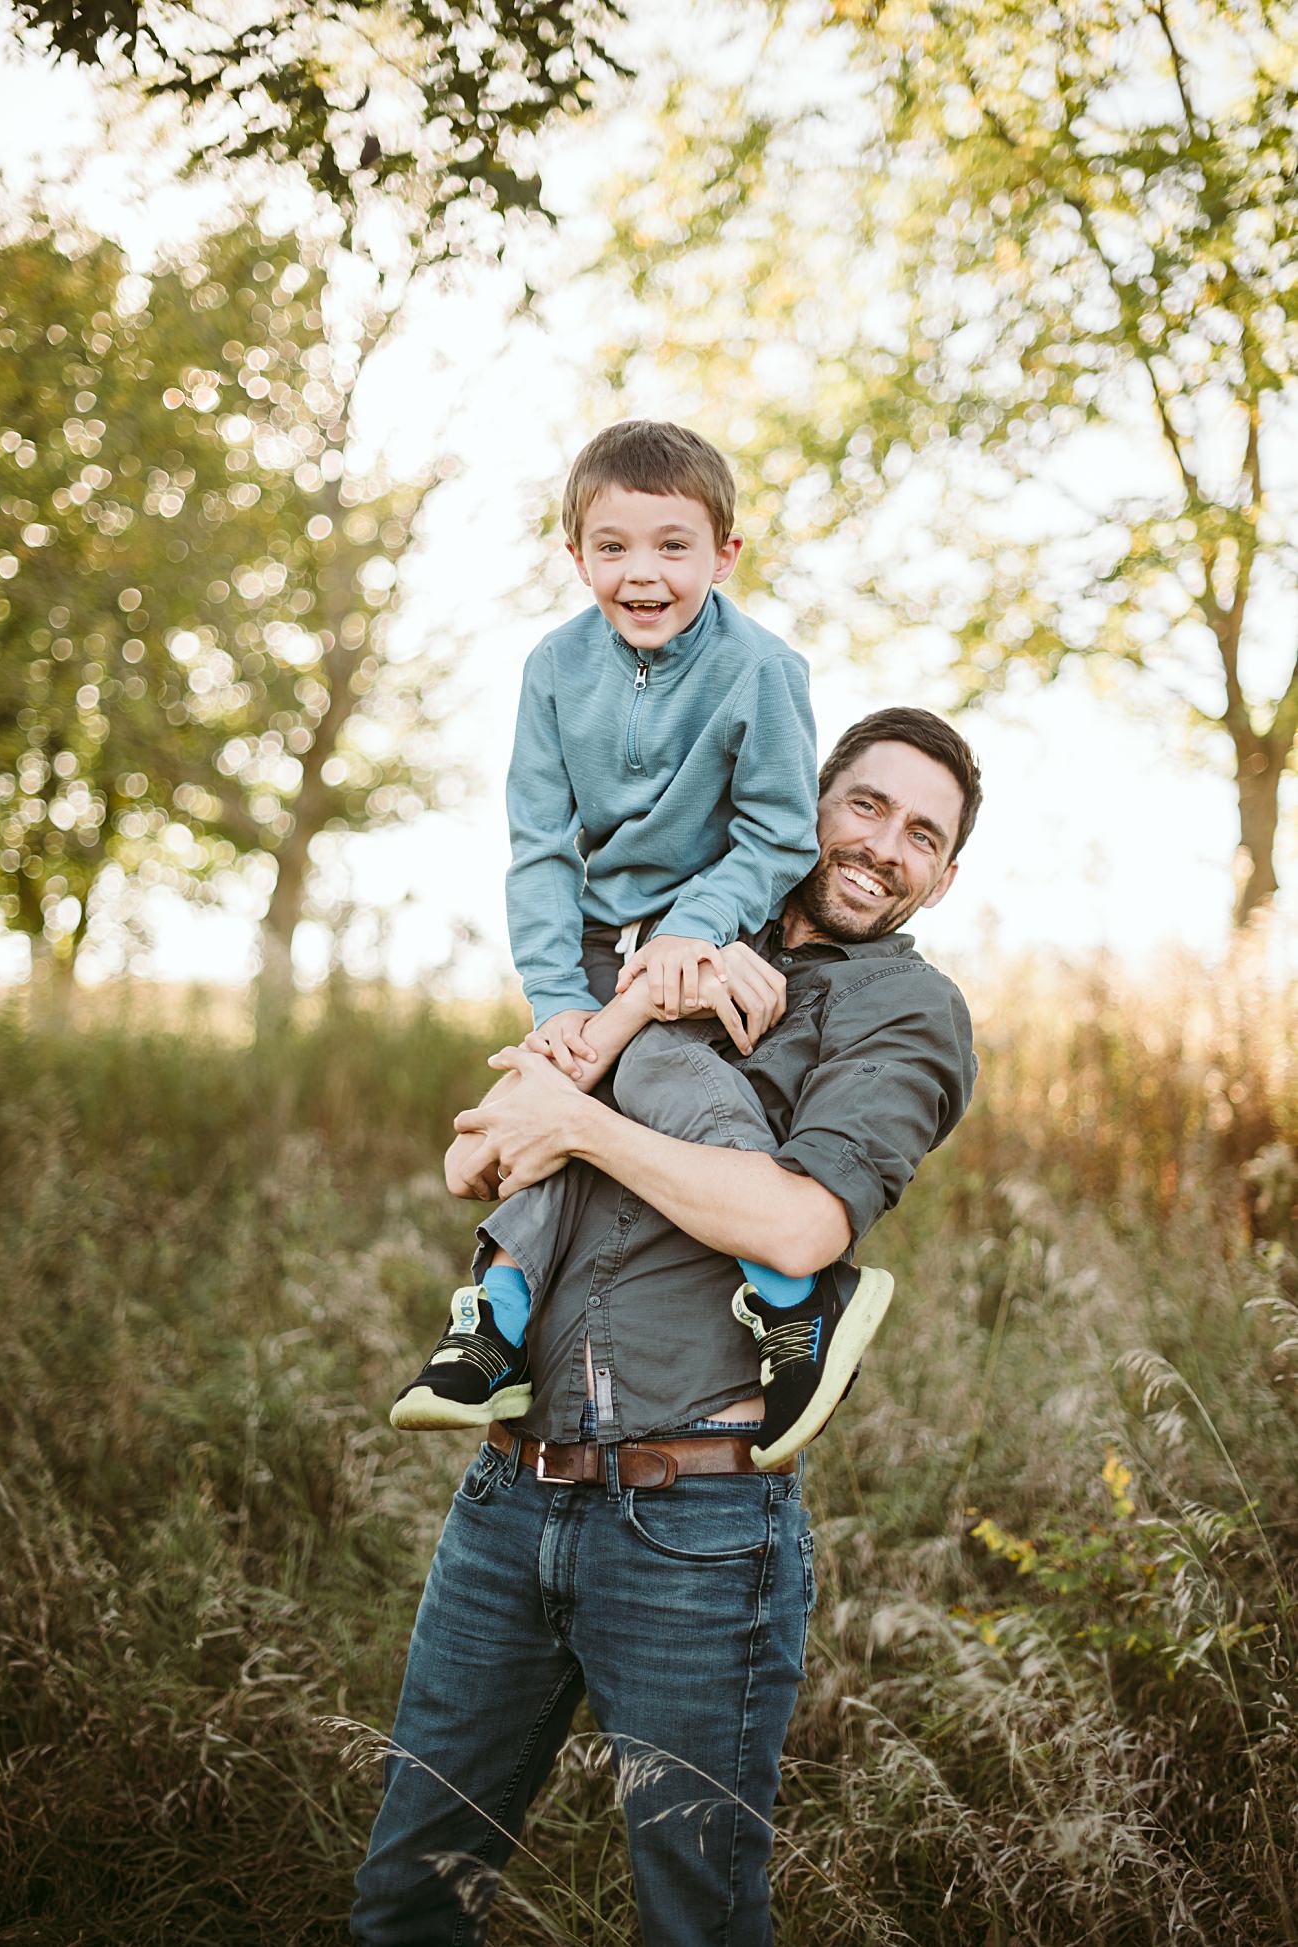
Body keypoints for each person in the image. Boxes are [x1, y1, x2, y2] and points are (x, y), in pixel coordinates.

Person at [352, 707, 982, 1947]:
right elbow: (474, 1157)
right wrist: (645, 998)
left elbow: (799, 1228)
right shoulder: (670, 936)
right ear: (806, 801)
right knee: (408, 1897)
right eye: (863, 804)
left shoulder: (906, 1014)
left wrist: (590, 1121)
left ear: (944, 877)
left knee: (693, 1923)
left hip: (697, 1527)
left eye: (921, 834)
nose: (882, 845)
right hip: (507, 1501)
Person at [390, 419, 827, 1441]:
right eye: (613, 547)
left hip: (717, 939)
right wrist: (555, 1004)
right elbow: (538, 848)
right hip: (594, 945)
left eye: (673, 546)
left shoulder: (763, 669)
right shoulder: (552, 669)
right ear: (574, 553)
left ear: (724, 553)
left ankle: (789, 1290)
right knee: (554, 1094)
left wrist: (695, 929)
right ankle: (494, 1325)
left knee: (659, 1079)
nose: (643, 574)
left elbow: (779, 833)